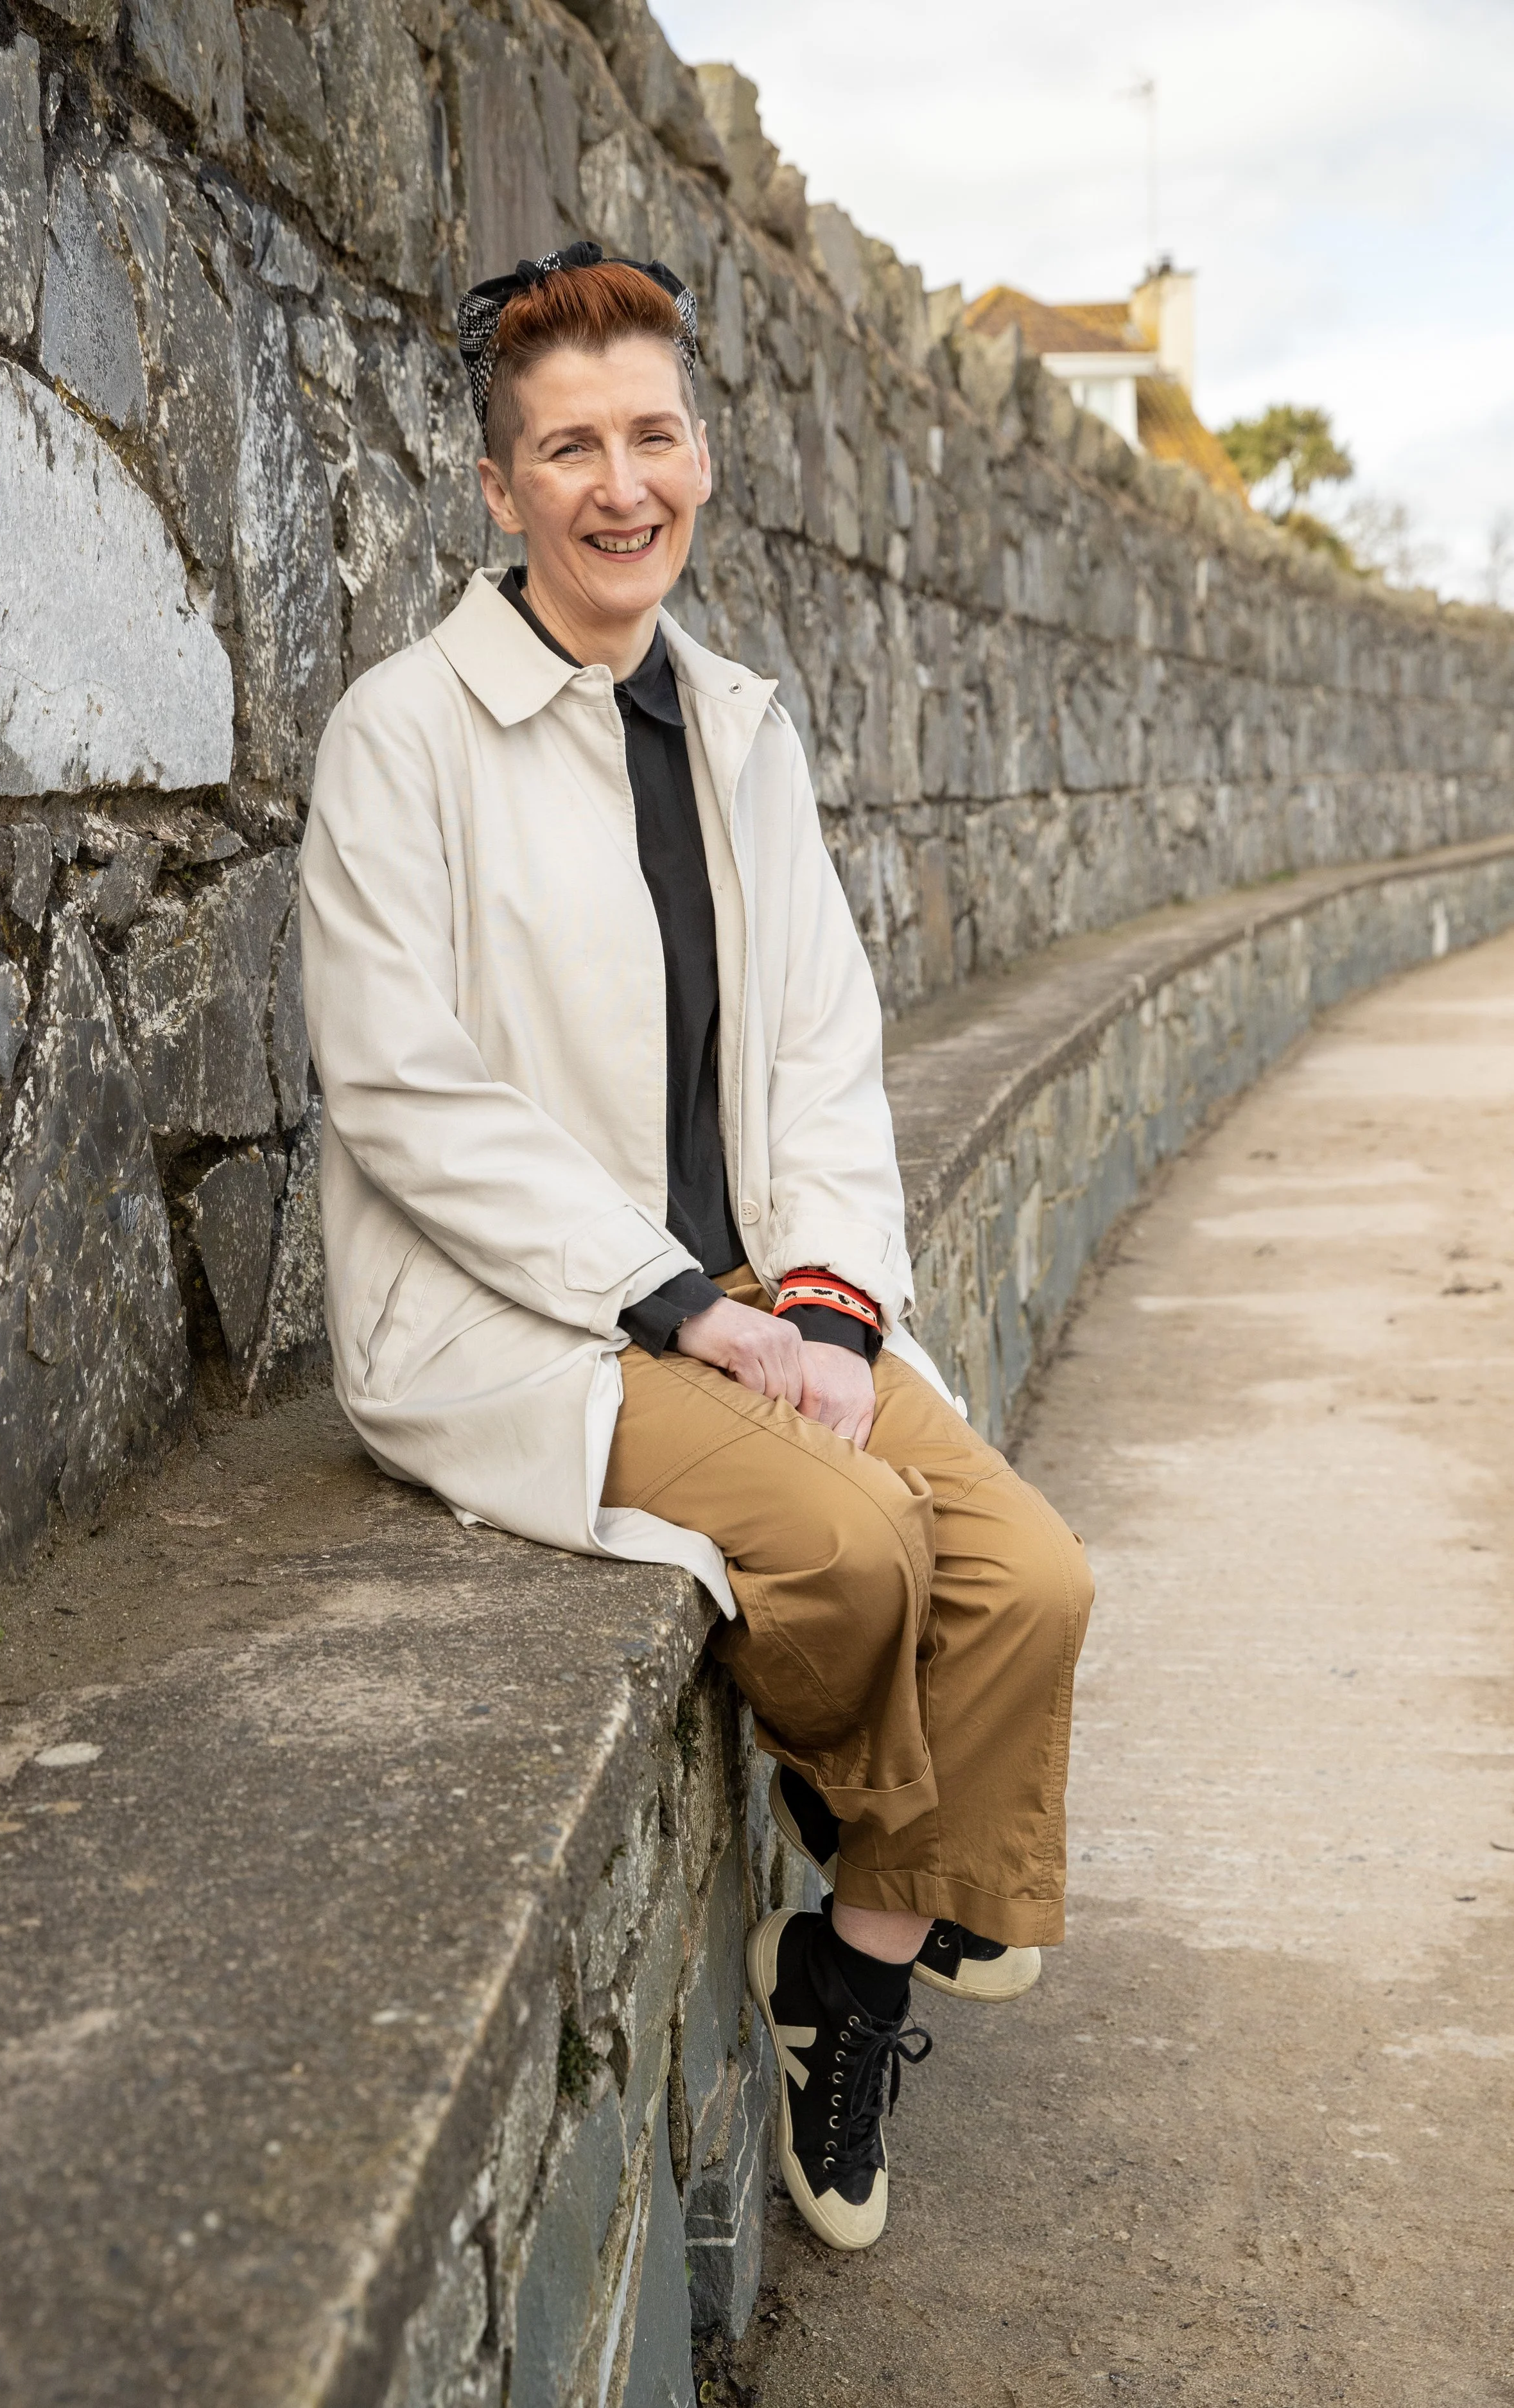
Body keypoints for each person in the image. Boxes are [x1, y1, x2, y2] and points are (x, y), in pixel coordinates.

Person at [299, 241, 1094, 2254]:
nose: (616, 480)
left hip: (756, 1291)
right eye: (566, 445)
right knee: (854, 1549)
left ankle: (855, 1946)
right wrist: (671, 1301)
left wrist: (819, 1304)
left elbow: (823, 1040)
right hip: (531, 1317)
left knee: (1030, 1578)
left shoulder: (737, 721)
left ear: (703, 456)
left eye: (650, 432)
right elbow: (401, 1087)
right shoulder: (404, 735)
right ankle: (908, 1876)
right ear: (498, 490)